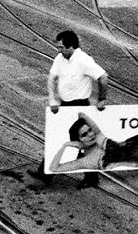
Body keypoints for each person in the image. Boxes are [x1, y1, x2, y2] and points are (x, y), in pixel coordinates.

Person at [30, 29, 108, 187]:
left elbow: (103, 77)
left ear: (71, 47)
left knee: (84, 143)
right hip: (65, 106)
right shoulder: (60, 58)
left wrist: (101, 99)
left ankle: (92, 179)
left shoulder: (84, 60)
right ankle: (45, 173)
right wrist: (53, 99)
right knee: (57, 138)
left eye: (61, 47)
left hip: (80, 106)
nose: (58, 51)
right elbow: (52, 78)